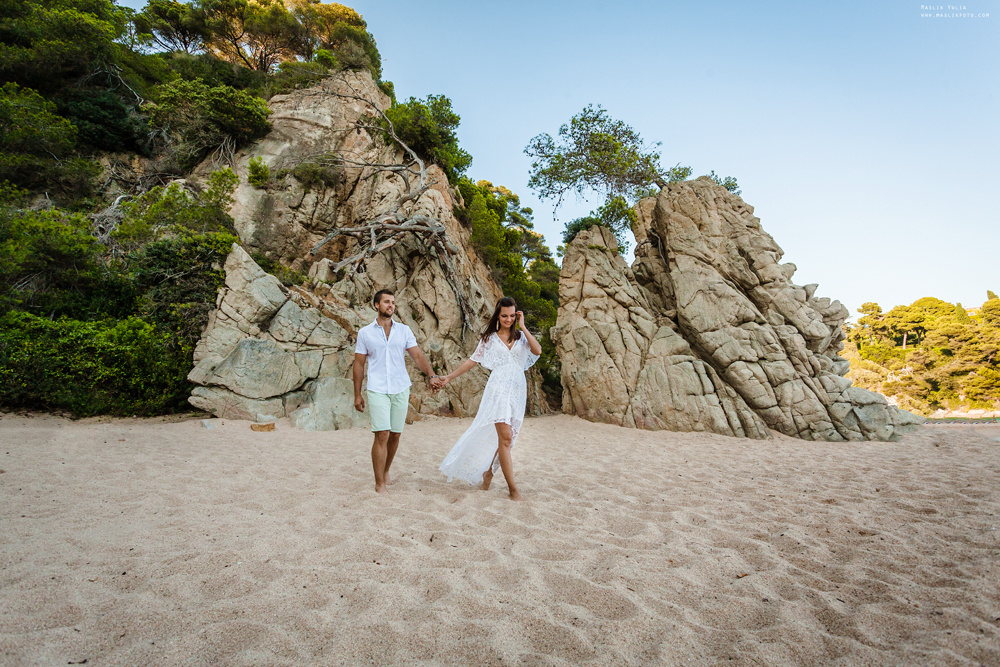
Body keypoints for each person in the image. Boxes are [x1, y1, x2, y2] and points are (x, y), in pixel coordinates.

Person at [433, 297, 541, 501]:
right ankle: (513, 489)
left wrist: (524, 326)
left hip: (517, 390)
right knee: (506, 438)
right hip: (498, 388)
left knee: (507, 440)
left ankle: (489, 473)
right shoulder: (489, 339)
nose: (508, 319)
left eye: (511, 316)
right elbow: (472, 361)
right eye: (504, 316)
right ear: (497, 316)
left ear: (516, 315)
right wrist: (449, 377)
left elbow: (537, 351)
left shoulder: (521, 337)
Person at [353, 289, 438, 495]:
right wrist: (357, 394)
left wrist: (431, 375)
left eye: (393, 302)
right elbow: (358, 364)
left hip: (400, 387)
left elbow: (417, 356)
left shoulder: (404, 331)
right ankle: (379, 482)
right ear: (377, 305)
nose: (391, 305)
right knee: (382, 433)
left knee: (395, 435)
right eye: (386, 302)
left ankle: (386, 470)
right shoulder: (365, 333)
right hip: (377, 388)